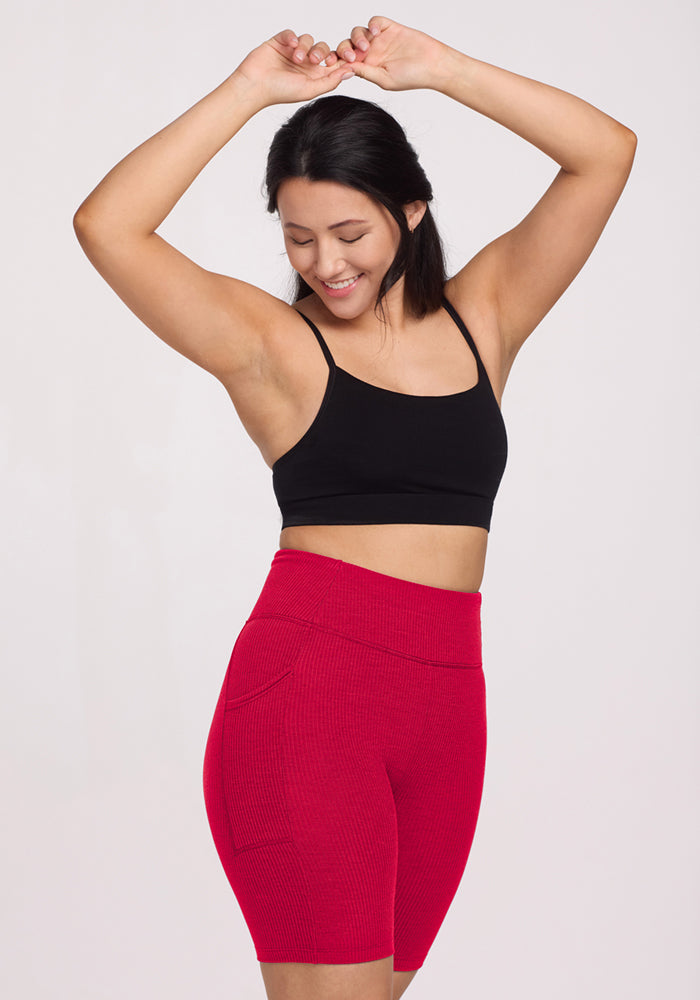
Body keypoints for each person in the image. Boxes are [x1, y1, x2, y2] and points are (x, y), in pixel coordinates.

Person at [73, 15, 636, 1000]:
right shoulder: (274, 347)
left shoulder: (486, 316)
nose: (325, 263)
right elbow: (106, 225)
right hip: (310, 704)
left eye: (349, 232)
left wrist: (441, 69)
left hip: (447, 711)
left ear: (409, 214)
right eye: (298, 237)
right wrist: (249, 89)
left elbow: (605, 154)